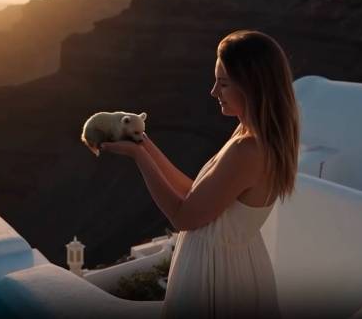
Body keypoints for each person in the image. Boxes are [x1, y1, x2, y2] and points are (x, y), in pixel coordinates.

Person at [100, 30, 300, 319]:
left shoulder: (248, 149)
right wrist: (142, 141)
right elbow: (197, 196)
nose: (213, 92)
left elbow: (184, 217)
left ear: (252, 87)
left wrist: (138, 156)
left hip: (218, 275)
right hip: (231, 262)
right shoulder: (251, 134)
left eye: (223, 83)